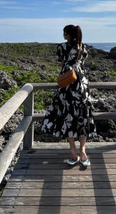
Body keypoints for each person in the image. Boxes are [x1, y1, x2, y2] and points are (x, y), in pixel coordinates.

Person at [41, 24, 96, 166]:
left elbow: (62, 64)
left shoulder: (62, 47)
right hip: (81, 83)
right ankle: (83, 152)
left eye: (64, 32)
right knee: (83, 116)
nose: (63, 34)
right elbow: (82, 63)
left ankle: (73, 152)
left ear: (68, 34)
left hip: (67, 84)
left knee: (68, 117)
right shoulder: (83, 47)